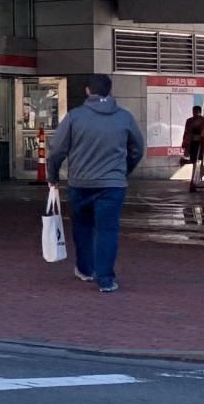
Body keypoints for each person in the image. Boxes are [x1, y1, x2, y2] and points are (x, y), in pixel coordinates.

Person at [46, 73, 145, 293]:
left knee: (82, 227)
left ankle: (85, 269)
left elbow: (57, 150)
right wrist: (122, 171)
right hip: (112, 185)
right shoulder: (124, 117)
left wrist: (52, 176)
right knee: (107, 230)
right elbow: (138, 149)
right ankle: (106, 279)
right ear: (110, 91)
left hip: (80, 183)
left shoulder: (74, 117)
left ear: (87, 91)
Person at [181, 103, 204, 191]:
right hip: (192, 143)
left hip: (201, 143)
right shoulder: (189, 121)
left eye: (196, 111)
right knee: (194, 160)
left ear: (199, 112)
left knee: (198, 160)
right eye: (193, 112)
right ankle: (198, 176)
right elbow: (186, 132)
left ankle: (195, 179)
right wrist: (185, 142)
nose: (194, 113)